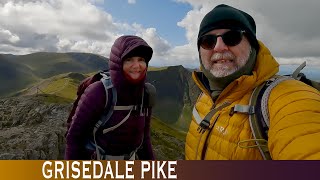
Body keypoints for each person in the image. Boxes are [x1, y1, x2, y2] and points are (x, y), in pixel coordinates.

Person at [185, 4, 320, 160]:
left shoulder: (287, 99)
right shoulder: (205, 93)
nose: (219, 47)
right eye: (208, 41)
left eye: (232, 37)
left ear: (252, 46)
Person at [65, 35, 155, 160]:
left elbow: (144, 139)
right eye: (129, 59)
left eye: (141, 59)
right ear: (118, 62)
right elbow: (74, 138)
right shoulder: (98, 91)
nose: (136, 65)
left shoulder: (146, 93)